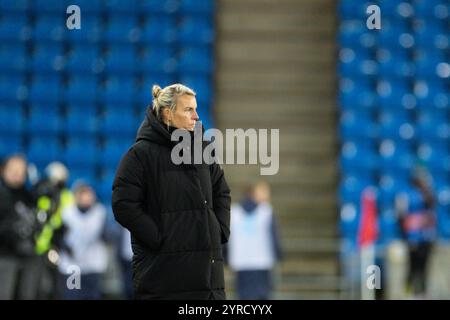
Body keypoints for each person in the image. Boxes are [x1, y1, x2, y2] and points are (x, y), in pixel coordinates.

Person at [112, 83, 231, 300]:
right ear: (167, 114)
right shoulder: (140, 154)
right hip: (163, 280)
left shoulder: (203, 149)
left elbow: (221, 191)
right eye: (188, 110)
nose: (196, 116)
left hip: (209, 284)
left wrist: (219, 229)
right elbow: (123, 204)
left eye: (196, 109)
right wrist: (159, 238)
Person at [226, 181, 283, 300]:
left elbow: (226, 237)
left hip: (241, 261)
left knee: (244, 296)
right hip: (262, 261)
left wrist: (225, 257)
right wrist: (278, 254)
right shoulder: (266, 211)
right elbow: (274, 237)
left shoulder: (234, 212)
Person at [58, 181, 108, 300]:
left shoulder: (99, 212)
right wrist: (66, 247)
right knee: (73, 295)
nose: (86, 199)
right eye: (82, 195)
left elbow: (106, 235)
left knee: (92, 295)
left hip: (92, 263)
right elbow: (59, 236)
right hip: (73, 265)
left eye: (88, 195)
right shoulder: (67, 212)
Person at [33, 161, 74, 298]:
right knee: (38, 286)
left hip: (58, 246)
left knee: (58, 285)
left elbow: (68, 221)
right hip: (39, 246)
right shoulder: (42, 195)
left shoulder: (67, 196)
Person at [0, 154, 38, 299]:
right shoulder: (2, 195)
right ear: (3, 171)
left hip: (28, 255)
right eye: (13, 170)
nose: (18, 174)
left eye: (21, 171)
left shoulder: (28, 196)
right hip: (5, 255)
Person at [395, 167, 436, 299]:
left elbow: (431, 206)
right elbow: (401, 216)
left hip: (426, 236)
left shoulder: (426, 193)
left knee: (424, 267)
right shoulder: (405, 194)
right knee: (412, 266)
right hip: (412, 237)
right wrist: (407, 232)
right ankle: (408, 292)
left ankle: (423, 293)